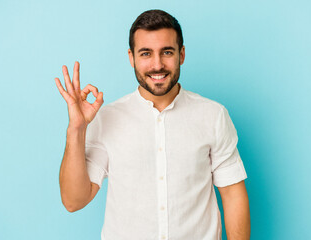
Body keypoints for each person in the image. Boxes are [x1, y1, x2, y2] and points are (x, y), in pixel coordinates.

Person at [55, 9, 250, 240]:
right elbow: (73, 201)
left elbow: (233, 195)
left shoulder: (213, 115)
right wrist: (76, 128)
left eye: (166, 52)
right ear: (131, 58)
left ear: (182, 54)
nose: (157, 65)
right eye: (146, 53)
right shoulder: (107, 118)